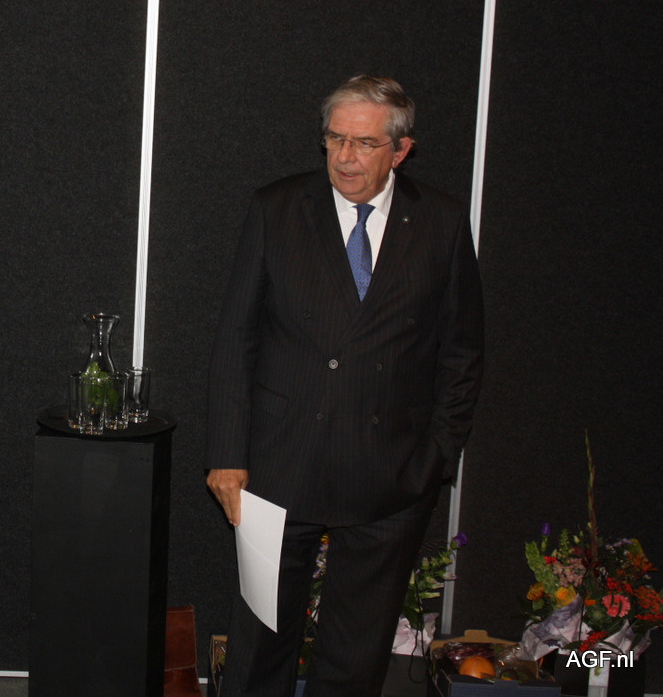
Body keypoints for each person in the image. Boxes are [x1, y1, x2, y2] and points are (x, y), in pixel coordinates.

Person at [206, 75, 484, 696]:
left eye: (363, 143)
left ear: (401, 150)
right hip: (278, 462)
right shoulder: (277, 208)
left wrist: (437, 455)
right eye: (335, 139)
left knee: (356, 653)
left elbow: (462, 350)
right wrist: (226, 453)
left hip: (392, 470)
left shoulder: (439, 221)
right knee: (259, 642)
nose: (345, 157)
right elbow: (235, 341)